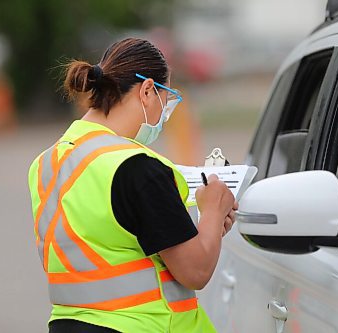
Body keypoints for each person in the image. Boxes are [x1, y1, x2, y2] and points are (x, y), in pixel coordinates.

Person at [28, 38, 237, 333]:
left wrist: (207, 229)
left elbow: (110, 245)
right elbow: (196, 271)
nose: (166, 113)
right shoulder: (138, 167)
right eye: (168, 98)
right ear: (148, 90)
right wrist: (214, 211)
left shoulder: (46, 164)